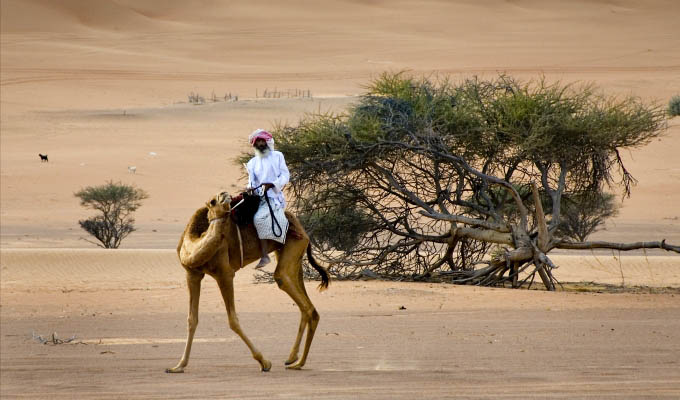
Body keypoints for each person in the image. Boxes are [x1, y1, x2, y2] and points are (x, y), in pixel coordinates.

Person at [246, 129, 290, 268]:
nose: (259, 144)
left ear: (267, 142)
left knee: (259, 218)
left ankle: (265, 255)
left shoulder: (277, 156)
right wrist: (250, 188)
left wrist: (272, 184)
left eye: (262, 141)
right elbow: (252, 181)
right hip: (257, 196)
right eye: (257, 142)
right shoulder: (252, 162)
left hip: (273, 196)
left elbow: (285, 176)